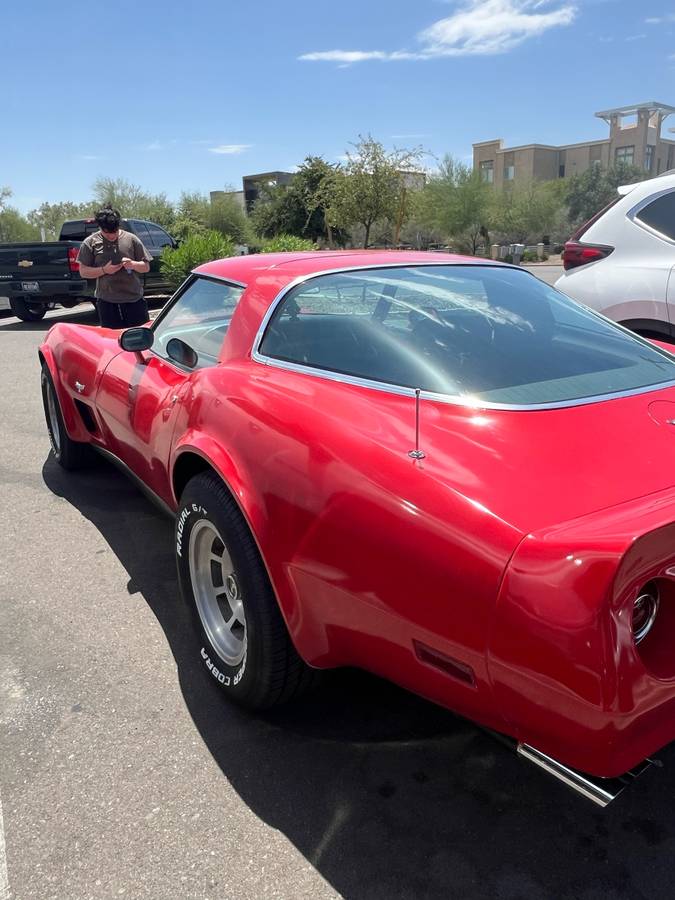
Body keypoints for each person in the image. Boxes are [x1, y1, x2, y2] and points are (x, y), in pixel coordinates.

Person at [77, 207, 153, 328]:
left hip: (134, 300)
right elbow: (83, 271)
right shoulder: (90, 243)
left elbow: (146, 267)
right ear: (100, 227)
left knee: (139, 339)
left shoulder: (131, 239)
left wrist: (133, 264)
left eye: (115, 232)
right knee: (112, 341)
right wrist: (104, 270)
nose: (112, 236)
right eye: (107, 233)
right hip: (107, 302)